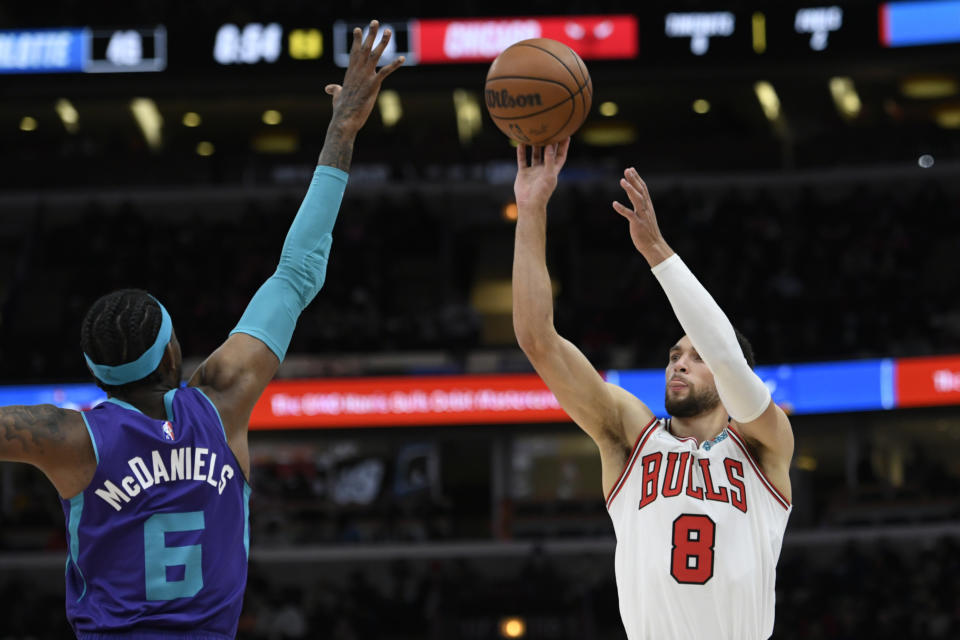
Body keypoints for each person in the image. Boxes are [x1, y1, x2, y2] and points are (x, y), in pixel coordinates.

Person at [0, 20, 402, 639]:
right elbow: (298, 270)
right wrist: (342, 130)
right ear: (173, 352)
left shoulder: (71, 438)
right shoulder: (223, 399)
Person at [511, 139, 794, 640]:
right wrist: (531, 210)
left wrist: (657, 252)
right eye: (673, 356)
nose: (678, 365)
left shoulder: (765, 446)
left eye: (695, 357)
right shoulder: (630, 436)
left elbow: (728, 358)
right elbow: (538, 341)